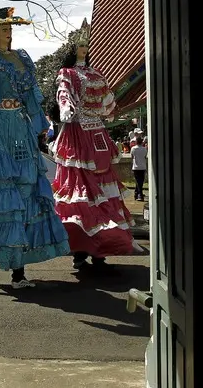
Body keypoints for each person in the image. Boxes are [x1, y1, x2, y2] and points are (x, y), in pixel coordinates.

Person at [0, 7, 70, 291]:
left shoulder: (23, 56)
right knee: (8, 203)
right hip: (0, 128)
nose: (8, 33)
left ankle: (17, 275)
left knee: (25, 201)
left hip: (22, 128)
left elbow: (32, 93)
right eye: (3, 29)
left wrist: (40, 123)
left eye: (10, 29)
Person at [50, 18, 135, 270]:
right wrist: (66, 108)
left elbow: (108, 99)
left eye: (86, 47)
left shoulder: (95, 73)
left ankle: (100, 250)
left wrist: (109, 109)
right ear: (72, 50)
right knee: (79, 191)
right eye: (80, 47)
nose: (84, 51)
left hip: (96, 132)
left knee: (103, 191)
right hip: (77, 132)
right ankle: (80, 250)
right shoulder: (67, 73)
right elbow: (63, 93)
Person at [131, 137, 148, 201]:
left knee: (138, 181)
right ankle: (139, 194)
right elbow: (145, 156)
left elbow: (132, 157)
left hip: (136, 167)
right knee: (140, 181)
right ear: (142, 142)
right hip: (142, 166)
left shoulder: (133, 149)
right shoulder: (144, 149)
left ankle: (138, 194)